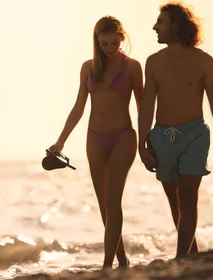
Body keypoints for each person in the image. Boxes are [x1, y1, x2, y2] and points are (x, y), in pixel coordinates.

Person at [137, 1, 213, 258]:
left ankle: (181, 259)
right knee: (174, 200)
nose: (155, 27)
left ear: (175, 25)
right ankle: (192, 255)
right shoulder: (154, 62)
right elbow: (147, 105)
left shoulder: (203, 60)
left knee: (188, 195)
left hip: (195, 135)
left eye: (160, 22)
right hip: (162, 136)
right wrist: (141, 143)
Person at [49, 16, 143, 269]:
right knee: (103, 205)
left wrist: (146, 142)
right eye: (104, 44)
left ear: (122, 38)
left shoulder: (133, 67)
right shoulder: (88, 68)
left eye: (114, 42)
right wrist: (60, 142)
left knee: (113, 201)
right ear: (96, 41)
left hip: (123, 136)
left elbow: (142, 106)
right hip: (94, 138)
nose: (109, 48)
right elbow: (79, 106)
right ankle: (122, 260)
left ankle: (106, 266)